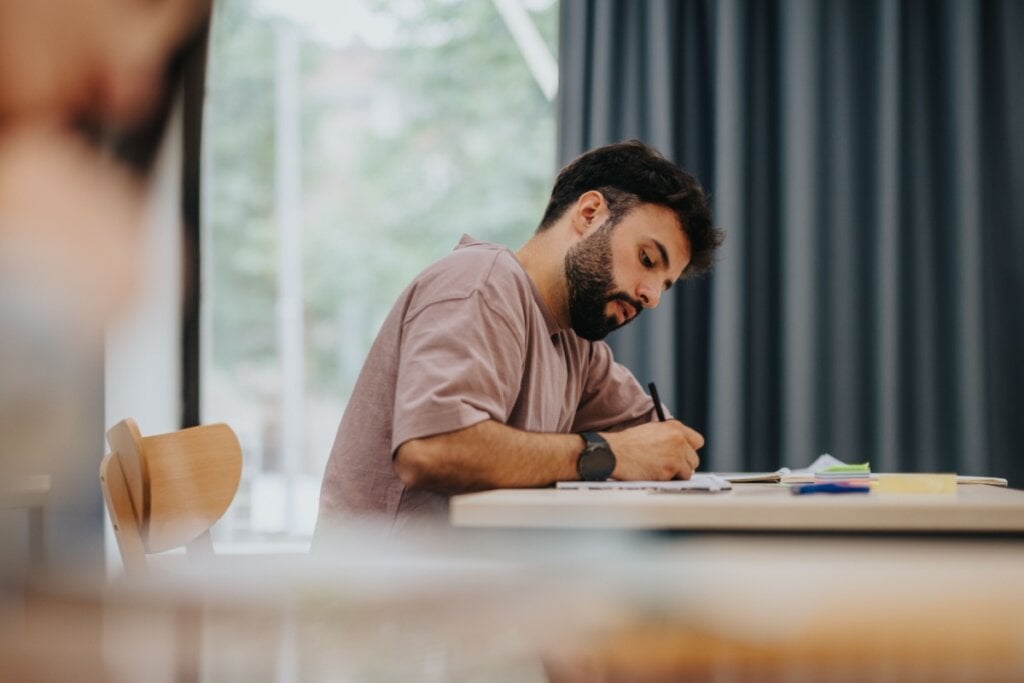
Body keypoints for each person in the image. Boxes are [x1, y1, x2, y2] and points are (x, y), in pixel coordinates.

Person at [315, 140, 724, 534]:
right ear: (590, 213)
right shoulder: (479, 284)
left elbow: (657, 438)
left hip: (466, 588)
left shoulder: (577, 345)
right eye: (647, 259)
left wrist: (663, 447)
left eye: (664, 285)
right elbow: (432, 448)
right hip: (383, 592)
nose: (650, 297)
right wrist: (609, 453)